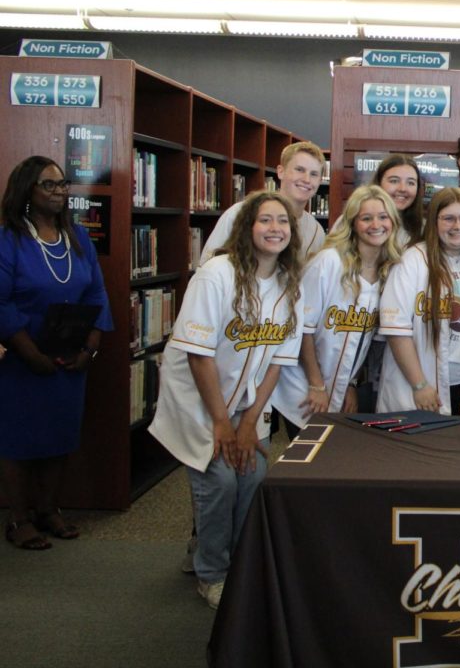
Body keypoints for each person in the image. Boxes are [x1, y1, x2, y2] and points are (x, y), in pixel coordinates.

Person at [149, 190, 304, 608]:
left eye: (283, 222)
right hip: (200, 399)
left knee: (252, 476)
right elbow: (199, 356)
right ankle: (213, 573)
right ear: (246, 228)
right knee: (218, 482)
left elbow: (278, 362)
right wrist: (222, 423)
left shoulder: (290, 284)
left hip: (245, 402)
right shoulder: (217, 273)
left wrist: (250, 422)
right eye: (266, 221)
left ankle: (235, 563)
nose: (275, 229)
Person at [0, 157, 113, 550]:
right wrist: (31, 354)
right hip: (23, 360)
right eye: (48, 185)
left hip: (71, 360)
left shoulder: (78, 238)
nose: (60, 191)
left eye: (63, 184)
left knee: (59, 436)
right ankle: (17, 519)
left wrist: (90, 347)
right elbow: (2, 303)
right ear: (26, 191)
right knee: (19, 441)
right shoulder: (9, 240)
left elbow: (96, 294)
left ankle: (49, 510)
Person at [271, 185, 403, 437]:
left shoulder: (388, 270)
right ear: (353, 223)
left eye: (383, 217)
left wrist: (351, 382)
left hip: (338, 384)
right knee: (305, 463)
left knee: (327, 457)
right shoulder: (329, 261)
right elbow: (303, 329)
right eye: (366, 218)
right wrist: (316, 383)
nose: (376, 224)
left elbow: (361, 341)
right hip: (302, 384)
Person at [378, 187, 460, 415]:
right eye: (448, 219)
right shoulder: (411, 261)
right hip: (419, 386)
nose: (458, 226)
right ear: (434, 222)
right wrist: (419, 384)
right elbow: (396, 330)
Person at [352, 154, 424, 414]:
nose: (403, 188)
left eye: (410, 182)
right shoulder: (356, 222)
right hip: (357, 327)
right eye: (394, 180)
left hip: (397, 332)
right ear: (379, 182)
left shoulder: (421, 230)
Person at [200, 141, 326, 265]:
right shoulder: (241, 213)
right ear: (281, 171)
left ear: (320, 181)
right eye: (299, 169)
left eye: (314, 174)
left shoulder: (316, 231)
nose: (306, 179)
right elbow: (206, 267)